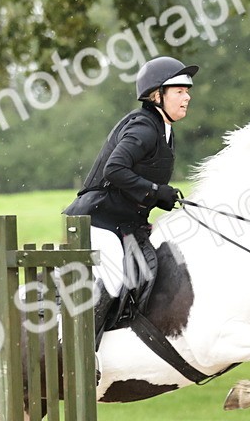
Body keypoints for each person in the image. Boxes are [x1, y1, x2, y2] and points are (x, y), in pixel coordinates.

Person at [64, 55, 198, 345]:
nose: (187, 97)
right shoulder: (144, 127)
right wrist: (153, 190)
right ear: (156, 95)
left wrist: (158, 197)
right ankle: (79, 352)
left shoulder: (164, 129)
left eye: (187, 91)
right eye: (179, 91)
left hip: (122, 222)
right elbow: (114, 169)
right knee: (113, 278)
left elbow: (134, 182)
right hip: (97, 219)